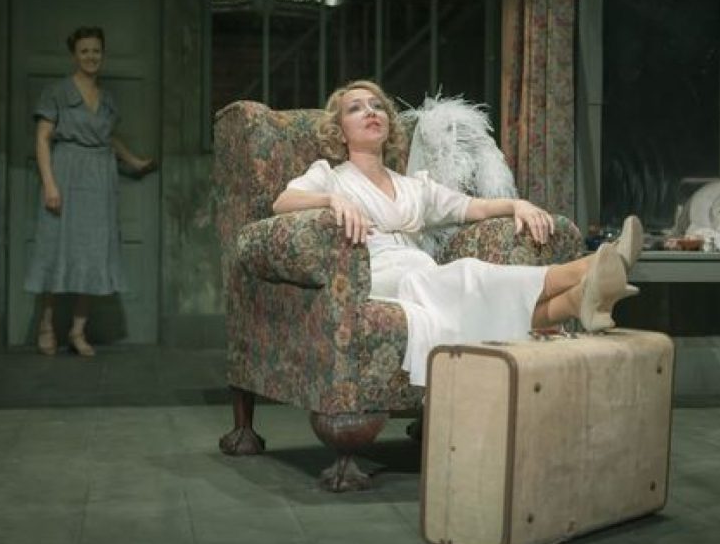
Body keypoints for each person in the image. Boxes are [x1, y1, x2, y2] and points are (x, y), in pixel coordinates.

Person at [272, 79, 642, 386]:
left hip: (421, 274)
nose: (370, 112)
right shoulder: (330, 176)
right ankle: (590, 267)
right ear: (340, 131)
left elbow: (472, 207)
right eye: (356, 108)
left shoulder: (415, 187)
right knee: (466, 274)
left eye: (377, 106)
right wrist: (332, 200)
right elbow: (282, 202)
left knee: (466, 295)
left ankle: (577, 300)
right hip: (373, 274)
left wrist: (518, 204)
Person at [24, 26, 156, 357]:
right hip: (66, 173)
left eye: (96, 51)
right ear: (74, 55)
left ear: (103, 55)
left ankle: (77, 331)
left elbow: (107, 138)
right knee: (57, 249)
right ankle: (46, 325)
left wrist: (134, 161)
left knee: (94, 253)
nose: (91, 57)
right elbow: (42, 138)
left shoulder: (107, 99)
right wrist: (49, 183)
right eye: (84, 51)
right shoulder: (56, 92)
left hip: (100, 179)